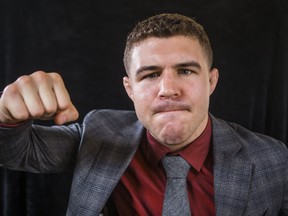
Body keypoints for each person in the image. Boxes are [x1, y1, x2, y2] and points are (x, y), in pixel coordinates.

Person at [0, 13, 287, 216]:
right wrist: (6, 117)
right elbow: (15, 151)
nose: (168, 89)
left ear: (211, 82)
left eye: (185, 71)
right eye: (150, 75)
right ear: (130, 89)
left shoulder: (272, 160)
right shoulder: (99, 133)